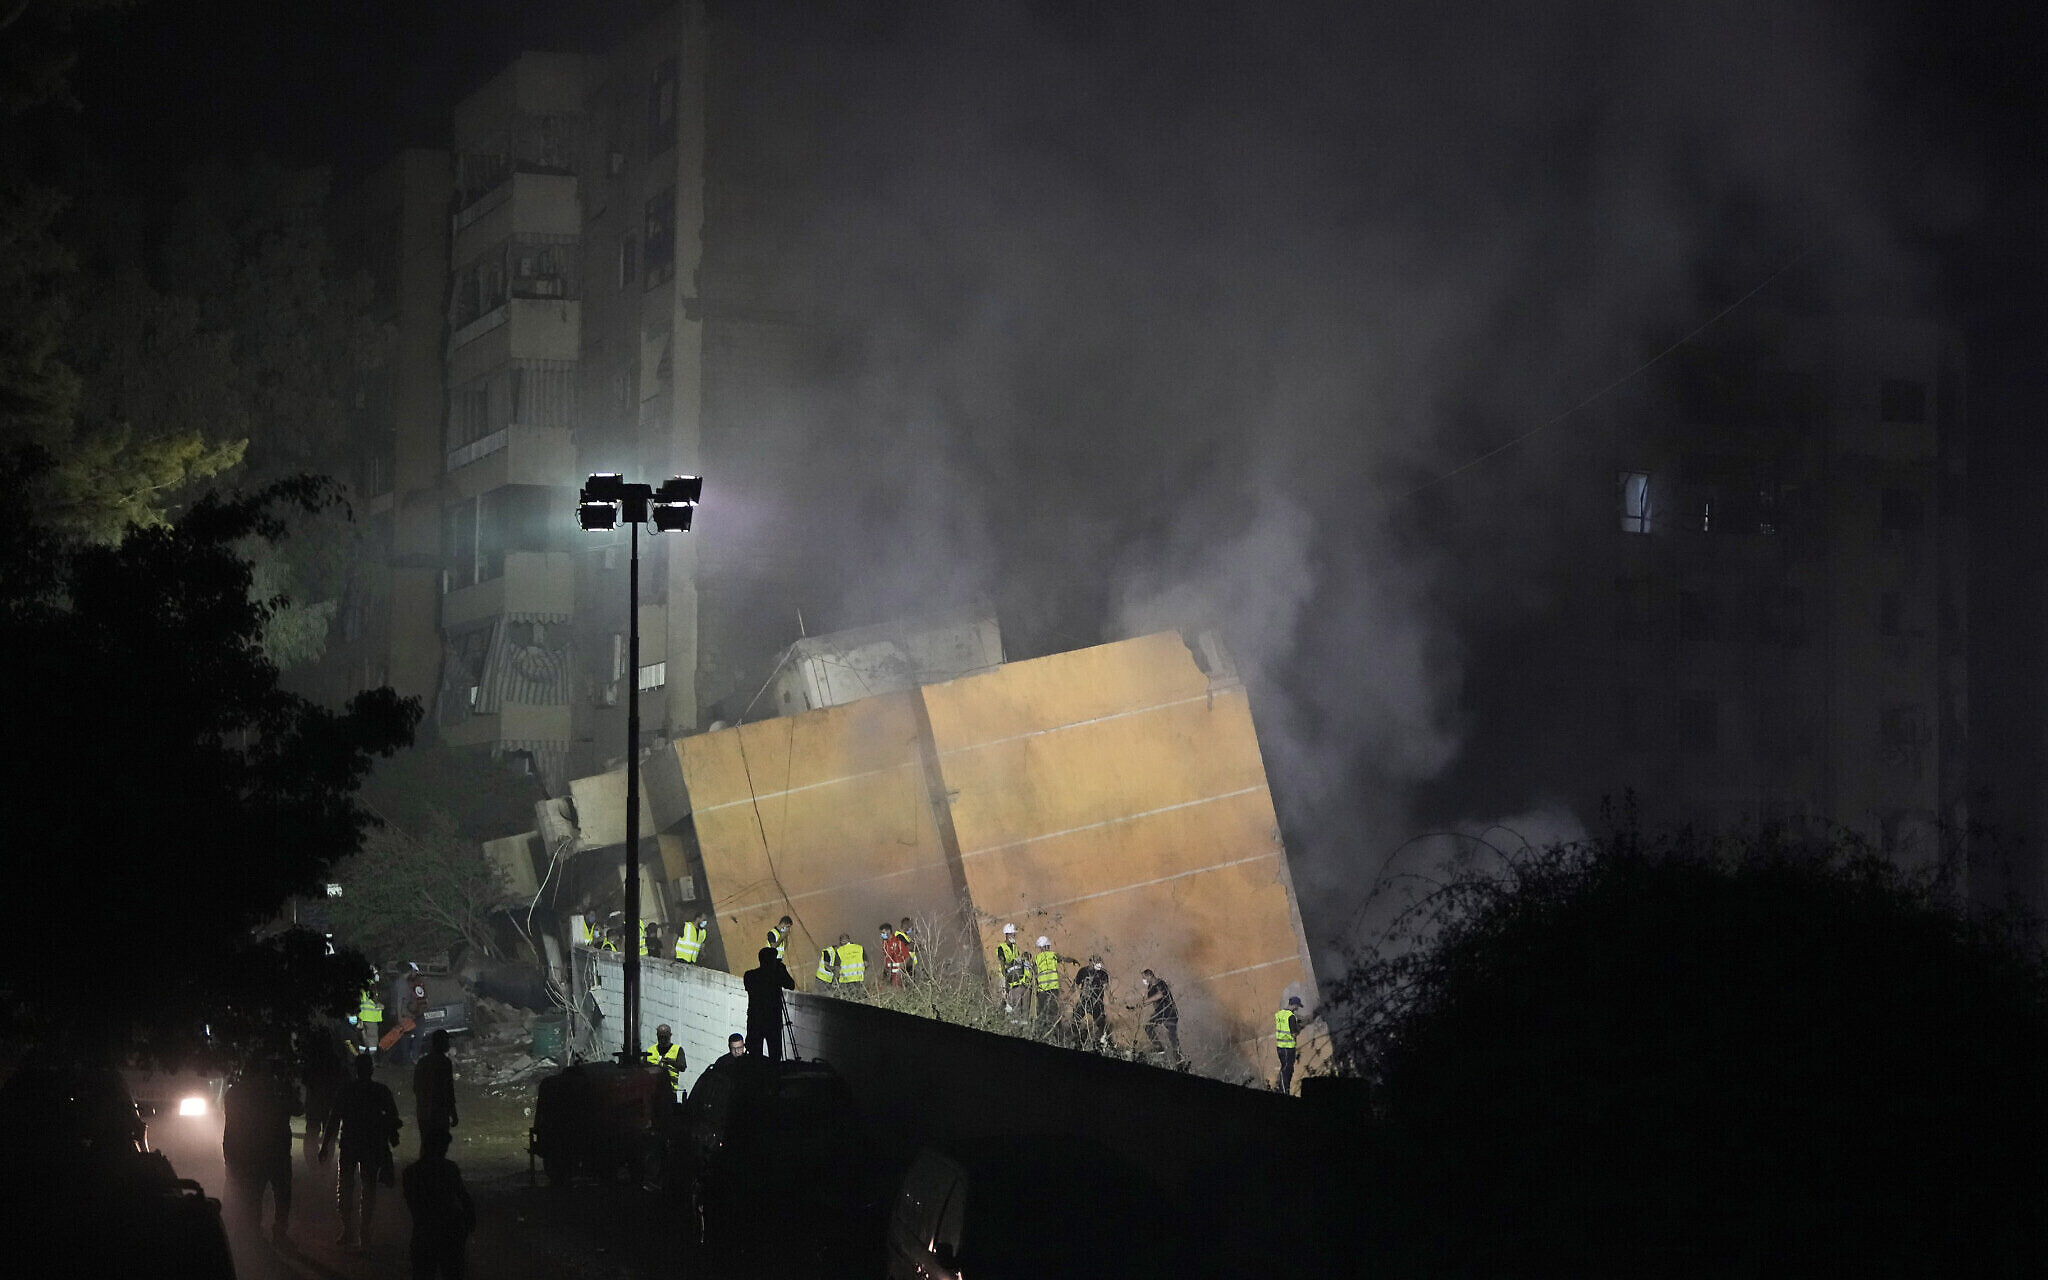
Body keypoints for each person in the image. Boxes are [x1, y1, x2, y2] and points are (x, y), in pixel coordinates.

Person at [320, 1052, 401, 1251]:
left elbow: (334, 1119)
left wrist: (325, 1146)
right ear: (371, 1070)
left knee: (346, 1187)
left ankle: (349, 1229)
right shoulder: (379, 1090)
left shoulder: (347, 1091)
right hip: (370, 1145)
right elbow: (393, 1117)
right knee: (368, 1188)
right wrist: (390, 1136)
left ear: (356, 1070)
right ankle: (363, 1232)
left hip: (351, 1143)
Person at [222, 1055, 302, 1246]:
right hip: (274, 1151)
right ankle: (274, 1233)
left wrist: (230, 1152)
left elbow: (231, 1126)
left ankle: (255, 1233)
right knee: (278, 1194)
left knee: (256, 1194)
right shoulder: (276, 1090)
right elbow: (298, 1109)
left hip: (255, 1152)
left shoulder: (237, 1092)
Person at [401, 1129, 476, 1280]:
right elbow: (464, 1198)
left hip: (424, 1231)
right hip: (450, 1230)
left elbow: (413, 1205)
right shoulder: (449, 1169)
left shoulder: (410, 1172)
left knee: (423, 1273)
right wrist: (469, 1222)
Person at [300, 1019, 352, 1164]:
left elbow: (305, 1079)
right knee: (330, 1132)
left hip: (315, 1101)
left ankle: (311, 1163)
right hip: (330, 1101)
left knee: (312, 1131)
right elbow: (344, 1079)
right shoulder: (336, 1060)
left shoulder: (312, 1061)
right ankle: (326, 1163)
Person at [742, 945, 796, 1062]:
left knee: (754, 1057)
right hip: (772, 1022)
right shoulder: (775, 977)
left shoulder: (750, 976)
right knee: (775, 1057)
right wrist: (782, 970)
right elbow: (791, 985)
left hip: (755, 1021)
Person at [412, 1029, 459, 1152]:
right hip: (439, 1113)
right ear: (441, 1043)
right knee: (440, 1146)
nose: (448, 1045)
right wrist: (453, 1113)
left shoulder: (422, 1062)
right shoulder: (444, 1062)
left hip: (423, 1112)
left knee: (425, 1146)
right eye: (446, 1042)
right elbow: (448, 1090)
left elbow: (415, 1088)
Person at [1134, 970, 1187, 1070]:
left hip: (1169, 1012)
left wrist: (1144, 1002)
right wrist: (1138, 1005)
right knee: (1149, 1027)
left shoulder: (1160, 983)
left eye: (1144, 978)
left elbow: (1160, 995)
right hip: (1160, 1013)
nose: (1143, 980)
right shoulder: (1150, 988)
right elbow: (1151, 1000)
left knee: (1172, 1037)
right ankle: (1160, 1049)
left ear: (1149, 976)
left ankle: (1179, 1061)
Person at [1275, 995, 1316, 1094]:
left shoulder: (1280, 1014)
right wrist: (1299, 1027)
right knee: (1287, 1069)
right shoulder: (1291, 1017)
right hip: (1288, 1047)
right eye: (1297, 1006)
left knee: (1284, 1067)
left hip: (1280, 1046)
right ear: (1294, 1005)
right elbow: (1294, 1033)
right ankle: (1284, 1090)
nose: (1297, 1008)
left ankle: (1282, 1088)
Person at [1071, 954, 1112, 1049]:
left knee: (1101, 1022)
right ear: (1090, 962)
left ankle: (1104, 1042)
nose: (1098, 964)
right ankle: (1077, 1040)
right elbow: (1075, 984)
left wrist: (1110, 998)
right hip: (1084, 1000)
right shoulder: (1082, 971)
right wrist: (1074, 994)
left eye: (1099, 962)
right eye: (1096, 962)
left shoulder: (1103, 973)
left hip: (1097, 1001)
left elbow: (1106, 987)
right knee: (1076, 1018)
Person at [996, 924, 1029, 1020]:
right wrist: (1006, 977)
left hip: (1014, 976)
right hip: (1005, 976)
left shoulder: (1015, 947)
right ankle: (1004, 1018)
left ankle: (1016, 1019)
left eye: (1014, 934)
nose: (1014, 936)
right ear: (1007, 935)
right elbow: (1002, 963)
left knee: (1016, 1000)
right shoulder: (1001, 948)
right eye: (1012, 934)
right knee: (1006, 999)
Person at [1032, 936, 1063, 1028]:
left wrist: (1036, 988)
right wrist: (1073, 960)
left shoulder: (1036, 958)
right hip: (1053, 989)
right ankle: (1056, 1031)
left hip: (1042, 990)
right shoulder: (1053, 955)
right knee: (1054, 1012)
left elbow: (1035, 974)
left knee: (1042, 1012)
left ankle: (1042, 1031)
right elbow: (1063, 959)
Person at [646, 1023, 685, 1093]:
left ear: (670, 1035)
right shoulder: (650, 1050)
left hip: (670, 1091)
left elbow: (683, 1067)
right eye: (660, 1037)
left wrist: (671, 1062)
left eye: (665, 1037)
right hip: (652, 1091)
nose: (662, 1040)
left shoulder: (677, 1050)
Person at [357, 985, 384, 1056]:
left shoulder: (361, 990)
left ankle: (361, 1057)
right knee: (372, 1041)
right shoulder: (374, 989)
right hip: (372, 1019)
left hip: (362, 1019)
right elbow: (378, 1003)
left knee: (362, 1040)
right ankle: (372, 1058)